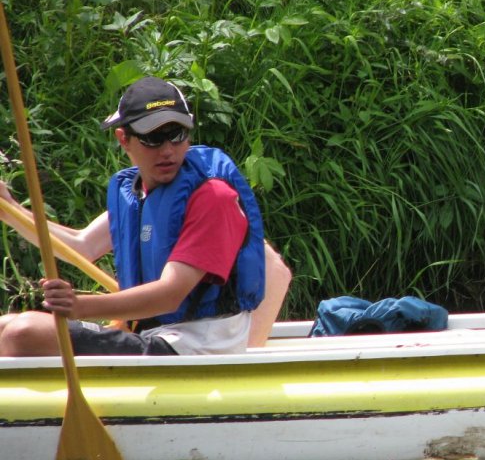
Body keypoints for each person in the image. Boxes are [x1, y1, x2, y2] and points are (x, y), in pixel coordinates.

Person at [0, 76, 281, 356]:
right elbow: (79, 244)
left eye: (177, 134)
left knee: (24, 332)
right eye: (153, 137)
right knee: (5, 325)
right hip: (154, 335)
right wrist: (11, 210)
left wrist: (79, 306)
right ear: (124, 139)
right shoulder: (139, 193)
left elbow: (170, 294)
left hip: (195, 347)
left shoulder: (213, 196)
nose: (168, 149)